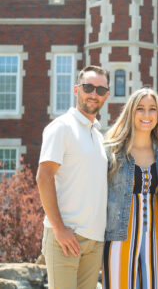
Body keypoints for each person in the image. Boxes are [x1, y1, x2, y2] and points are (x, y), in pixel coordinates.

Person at [36, 65, 110, 288]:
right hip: (65, 238)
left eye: (100, 89)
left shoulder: (98, 135)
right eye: (88, 87)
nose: (93, 94)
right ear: (77, 89)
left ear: (106, 95)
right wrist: (59, 229)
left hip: (94, 241)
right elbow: (44, 176)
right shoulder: (61, 127)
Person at [103, 88, 158, 288]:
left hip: (156, 236)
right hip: (119, 236)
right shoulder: (112, 151)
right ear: (131, 112)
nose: (147, 115)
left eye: (152, 109)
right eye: (140, 109)